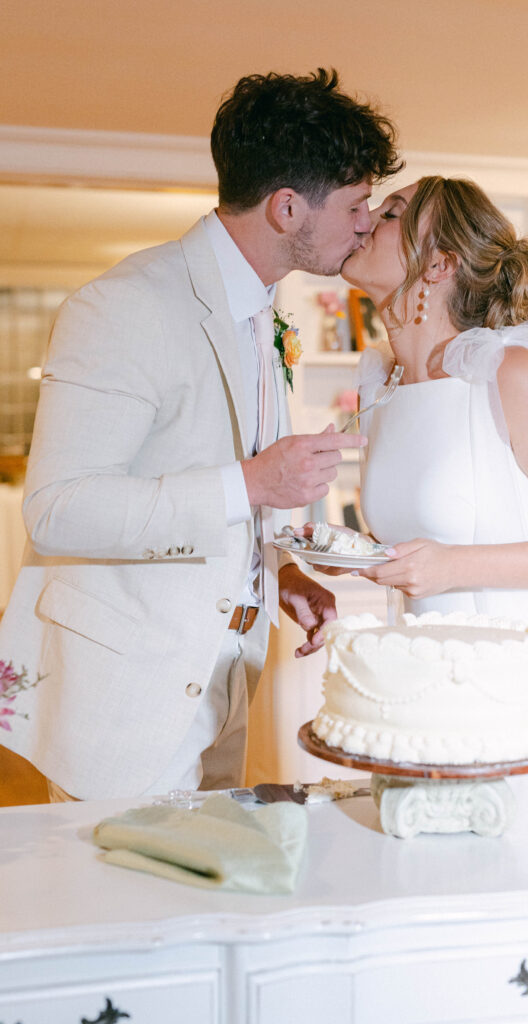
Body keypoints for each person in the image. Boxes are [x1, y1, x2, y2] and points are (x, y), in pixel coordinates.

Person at [0, 69, 402, 801]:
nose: (365, 224)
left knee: (195, 905)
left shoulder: (262, 314)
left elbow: (205, 473)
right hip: (127, 696)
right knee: (122, 910)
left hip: (223, 683)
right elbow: (57, 508)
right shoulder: (123, 306)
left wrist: (280, 573)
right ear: (286, 208)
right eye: (354, 204)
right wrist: (252, 483)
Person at [334, 176, 528, 757]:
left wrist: (453, 567)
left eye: (393, 212)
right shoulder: (384, 383)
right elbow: (426, 540)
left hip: (517, 688)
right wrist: (362, 556)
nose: (368, 216)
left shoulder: (508, 373)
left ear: (438, 265)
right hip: (425, 687)